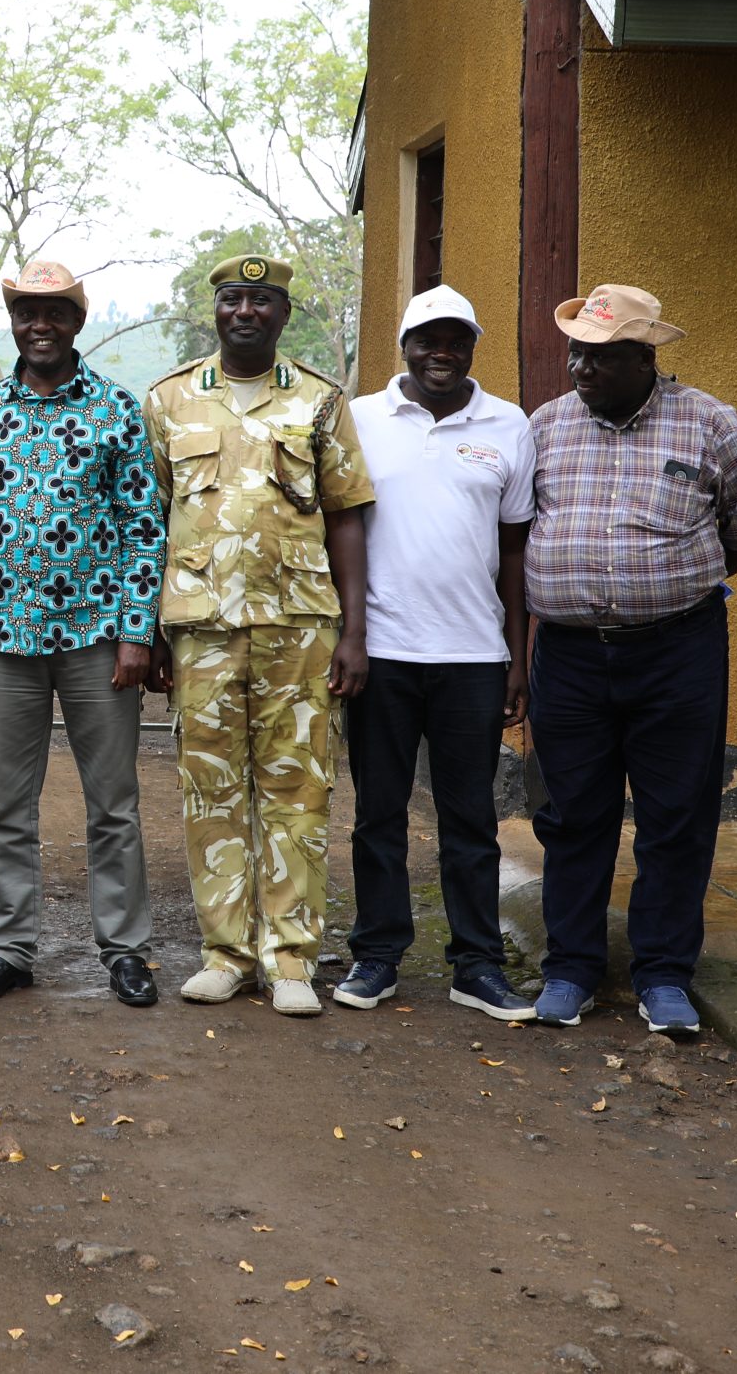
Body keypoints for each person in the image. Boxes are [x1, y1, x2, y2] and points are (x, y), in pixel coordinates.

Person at [524, 284, 737, 1036]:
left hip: (678, 652)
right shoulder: (544, 427)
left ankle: (664, 973)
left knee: (676, 815)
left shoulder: (711, 424)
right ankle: (570, 967)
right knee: (571, 814)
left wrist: (670, 586)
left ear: (646, 357)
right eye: (577, 352)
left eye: (601, 357)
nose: (581, 367)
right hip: (568, 655)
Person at [145, 255, 373, 1016]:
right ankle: (225, 952)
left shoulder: (318, 400)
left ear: (283, 313)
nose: (246, 312)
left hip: (301, 628)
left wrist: (355, 631)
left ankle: (291, 958)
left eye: (263, 301)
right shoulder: (171, 399)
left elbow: (346, 514)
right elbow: (148, 522)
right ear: (215, 311)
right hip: (202, 629)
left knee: (298, 791)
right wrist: (148, 628)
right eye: (233, 300)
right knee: (209, 790)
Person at [0, 260, 163, 1008]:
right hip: (6, 637)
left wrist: (139, 632)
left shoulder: (115, 409)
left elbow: (143, 526)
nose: (39, 324)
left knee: (114, 802)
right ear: (14, 321)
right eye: (27, 312)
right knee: (7, 803)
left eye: (54, 312)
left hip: (99, 636)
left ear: (76, 321)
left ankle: (126, 950)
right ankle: (9, 948)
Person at [333, 285, 537, 1023]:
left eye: (457, 341)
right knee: (378, 812)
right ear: (405, 347)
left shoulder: (508, 424)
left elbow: (514, 549)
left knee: (470, 817)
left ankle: (477, 964)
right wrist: (349, 637)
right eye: (428, 340)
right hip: (381, 652)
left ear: (472, 348)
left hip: (473, 656)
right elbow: (343, 528)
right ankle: (378, 954)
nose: (442, 353)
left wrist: (518, 656)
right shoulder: (360, 419)